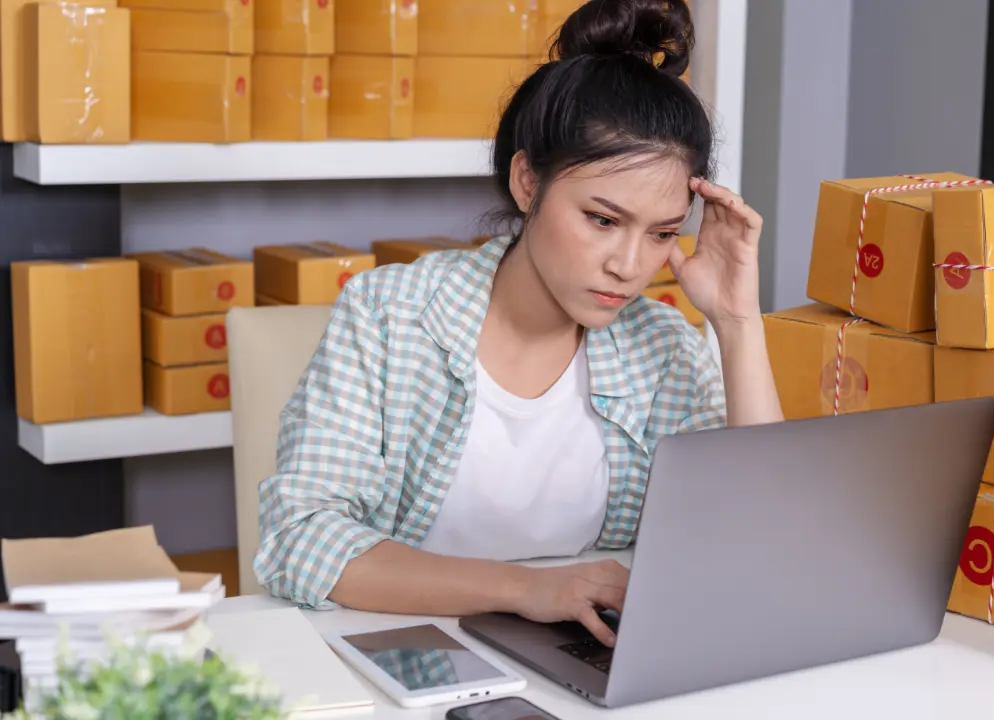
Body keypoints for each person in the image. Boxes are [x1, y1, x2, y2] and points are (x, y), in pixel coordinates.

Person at [254, 0, 783, 649]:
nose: (628, 265)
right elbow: (301, 539)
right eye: (602, 219)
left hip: (583, 654)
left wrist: (737, 323)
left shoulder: (665, 348)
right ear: (528, 182)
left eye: (663, 234)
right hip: (404, 648)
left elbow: (762, 549)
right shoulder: (391, 314)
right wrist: (524, 590)